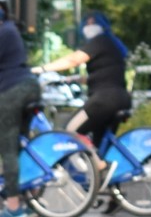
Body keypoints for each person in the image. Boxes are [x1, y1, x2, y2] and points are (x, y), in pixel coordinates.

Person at [36, 11, 132, 175]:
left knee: (70, 131)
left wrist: (42, 69)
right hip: (121, 98)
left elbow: (73, 60)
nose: (89, 26)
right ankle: (108, 183)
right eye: (87, 22)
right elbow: (105, 74)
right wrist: (75, 79)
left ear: (103, 24)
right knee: (100, 145)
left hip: (104, 100)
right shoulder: (112, 44)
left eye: (93, 22)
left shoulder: (100, 41)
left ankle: (96, 168)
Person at [0, 0, 39, 217]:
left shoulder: (3, 32)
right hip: (28, 86)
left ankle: (13, 206)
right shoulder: (10, 29)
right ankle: (30, 198)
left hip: (12, 90)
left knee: (8, 147)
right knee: (21, 144)